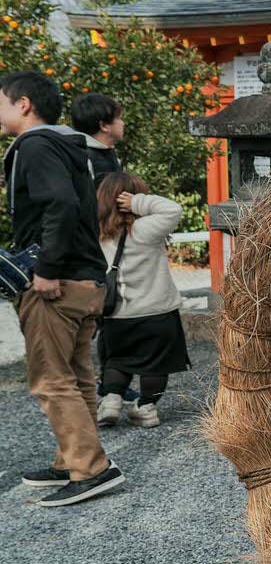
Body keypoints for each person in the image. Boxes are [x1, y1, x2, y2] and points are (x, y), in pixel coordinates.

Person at [0, 71, 123, 506]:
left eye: (1, 101)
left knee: (52, 380)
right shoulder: (70, 145)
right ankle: (70, 460)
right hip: (87, 276)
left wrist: (46, 269)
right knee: (77, 376)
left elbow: (60, 205)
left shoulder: (34, 146)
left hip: (58, 282)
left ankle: (90, 469)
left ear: (24, 104)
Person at [94, 171, 188, 429]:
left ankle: (111, 400)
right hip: (157, 312)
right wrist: (137, 202)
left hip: (117, 314)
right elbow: (172, 209)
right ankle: (146, 409)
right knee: (156, 364)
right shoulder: (146, 229)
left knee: (117, 360)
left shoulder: (97, 233)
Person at [68, 92, 124, 185]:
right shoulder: (83, 159)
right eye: (118, 118)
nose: (122, 123)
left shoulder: (110, 156)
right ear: (104, 126)